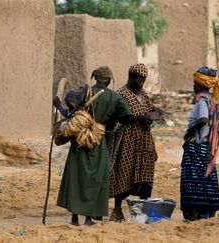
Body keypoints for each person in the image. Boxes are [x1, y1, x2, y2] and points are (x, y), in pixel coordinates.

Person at [56, 66, 131, 226]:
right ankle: (89, 218)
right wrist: (108, 124)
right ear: (109, 80)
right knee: (95, 179)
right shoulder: (114, 98)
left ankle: (74, 218)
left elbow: (72, 111)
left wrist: (59, 106)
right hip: (98, 141)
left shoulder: (84, 92)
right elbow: (126, 115)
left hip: (79, 140)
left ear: (95, 78)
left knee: (76, 178)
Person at [108, 63, 163, 221]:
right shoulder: (120, 94)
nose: (142, 84)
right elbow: (117, 117)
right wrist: (137, 118)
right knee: (124, 172)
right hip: (127, 141)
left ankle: (142, 209)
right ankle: (117, 210)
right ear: (131, 77)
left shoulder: (143, 94)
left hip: (144, 140)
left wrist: (154, 115)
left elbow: (153, 109)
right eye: (139, 80)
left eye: (144, 81)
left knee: (145, 173)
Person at [180, 66, 219, 221]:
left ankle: (194, 214)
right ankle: (208, 213)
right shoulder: (213, 100)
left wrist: (190, 131)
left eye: (195, 83)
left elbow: (203, 119)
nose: (193, 86)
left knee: (193, 180)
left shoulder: (202, 102)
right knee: (207, 180)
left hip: (197, 146)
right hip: (207, 147)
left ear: (202, 84)